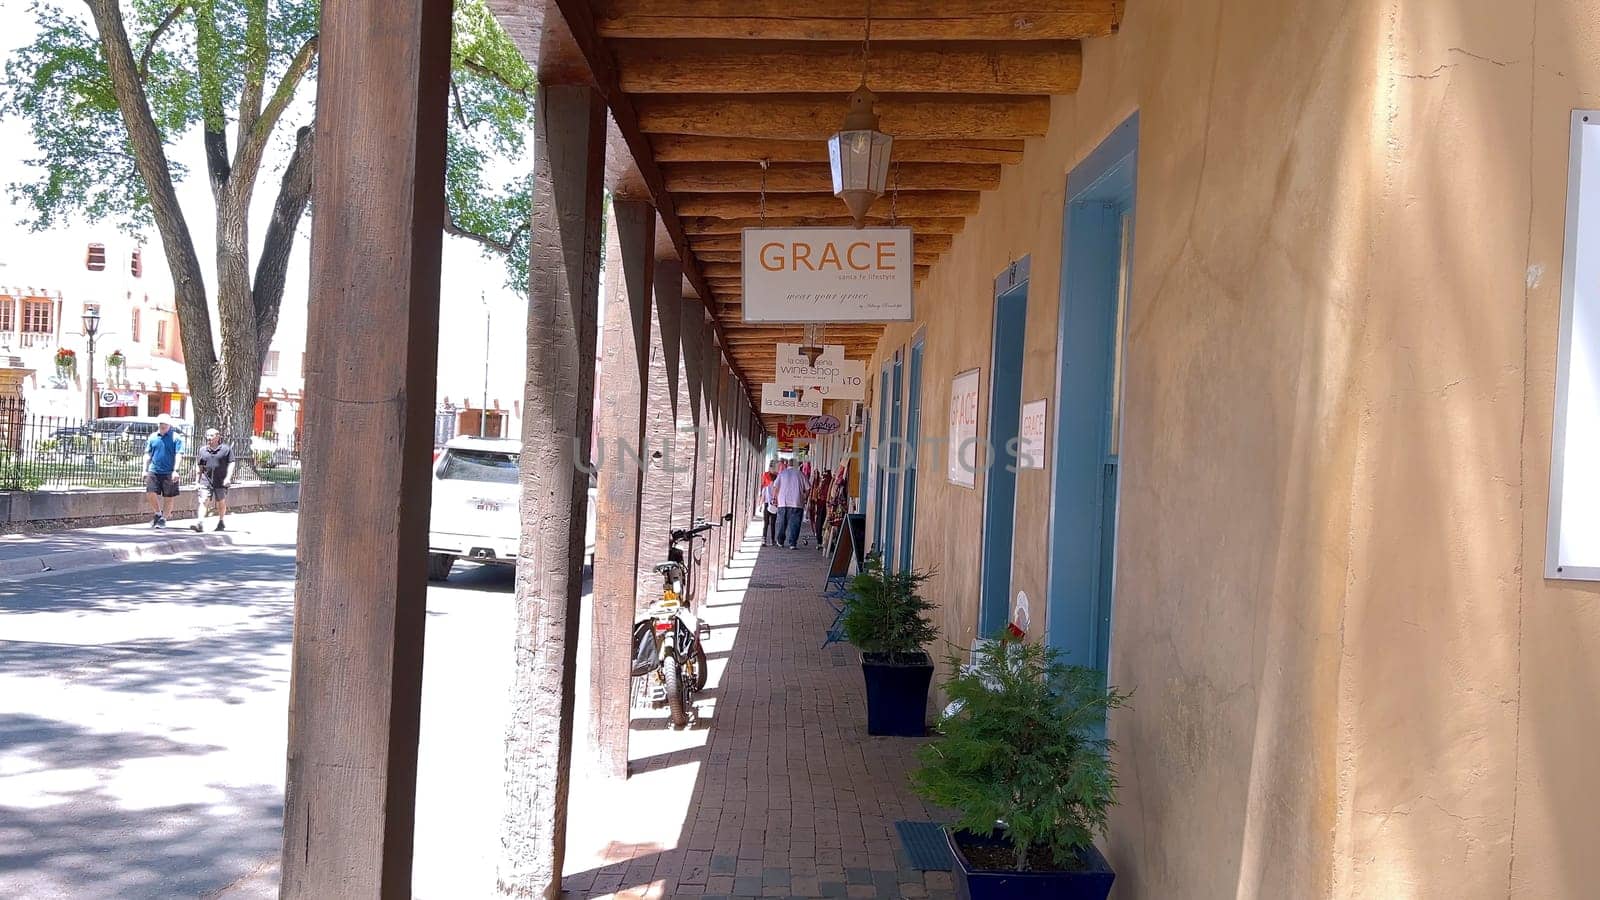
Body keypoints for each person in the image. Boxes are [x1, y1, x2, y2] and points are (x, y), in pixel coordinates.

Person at [191, 428, 234, 532]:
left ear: (217, 437)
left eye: (211, 435)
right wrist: (197, 481)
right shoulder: (203, 450)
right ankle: (200, 523)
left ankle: (221, 521)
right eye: (207, 435)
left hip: (221, 480)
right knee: (203, 501)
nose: (208, 438)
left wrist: (228, 478)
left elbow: (232, 463)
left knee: (221, 502)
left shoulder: (226, 449)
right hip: (206, 480)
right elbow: (200, 466)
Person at [144, 414, 183, 528]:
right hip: (154, 469)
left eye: (165, 424)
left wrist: (175, 470)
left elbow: (179, 454)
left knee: (168, 496)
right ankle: (157, 513)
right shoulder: (153, 437)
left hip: (169, 471)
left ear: (169, 425)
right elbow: (147, 454)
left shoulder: (176, 438)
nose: (163, 426)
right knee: (150, 492)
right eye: (161, 424)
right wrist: (144, 469)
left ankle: (164, 519)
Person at [773, 459, 811, 549]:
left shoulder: (782, 474)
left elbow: (775, 487)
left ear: (788, 465)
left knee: (782, 523)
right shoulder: (801, 474)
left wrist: (774, 498)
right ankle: (792, 543)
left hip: (783, 502)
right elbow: (808, 488)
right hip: (797, 502)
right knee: (795, 524)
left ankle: (780, 541)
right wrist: (805, 497)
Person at [810, 469, 833, 550]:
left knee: (820, 522)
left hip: (821, 504)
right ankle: (821, 539)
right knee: (821, 522)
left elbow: (817, 494)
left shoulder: (823, 481)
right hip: (825, 505)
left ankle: (820, 539)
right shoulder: (829, 481)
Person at [757, 469, 778, 546]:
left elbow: (763, 496)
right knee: (773, 523)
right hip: (774, 505)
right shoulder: (777, 487)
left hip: (766, 505)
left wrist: (760, 506)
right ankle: (772, 540)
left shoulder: (766, 486)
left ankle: (764, 540)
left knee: (766, 523)